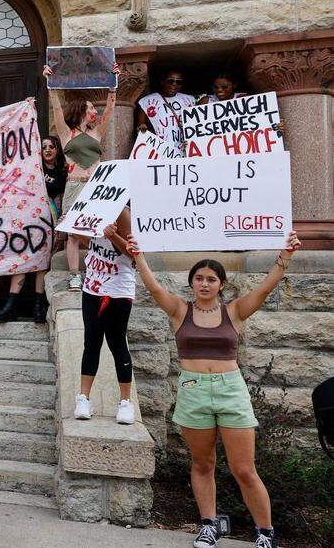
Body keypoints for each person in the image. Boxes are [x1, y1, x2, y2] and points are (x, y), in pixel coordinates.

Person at [129, 232, 300, 548]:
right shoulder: (180, 310)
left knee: (244, 469)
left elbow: (264, 288)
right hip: (193, 389)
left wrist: (285, 256)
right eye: (198, 278)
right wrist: (138, 255)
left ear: (221, 284)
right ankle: (208, 525)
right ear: (192, 282)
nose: (204, 283)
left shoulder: (233, 312)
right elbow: (153, 287)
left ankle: (265, 533)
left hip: (229, 390)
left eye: (210, 279)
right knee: (203, 463)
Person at [44, 64, 120, 291]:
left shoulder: (96, 133)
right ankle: (75, 275)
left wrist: (113, 86)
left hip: (96, 187)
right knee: (73, 234)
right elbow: (57, 111)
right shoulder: (67, 134)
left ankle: (99, 270)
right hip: (75, 186)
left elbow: (109, 111)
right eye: (90, 109)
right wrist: (51, 86)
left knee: (101, 229)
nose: (94, 112)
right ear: (80, 111)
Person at [0, 136, 68, 323]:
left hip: (48, 220)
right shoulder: (33, 167)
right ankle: (11, 305)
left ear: (58, 150)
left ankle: (38, 306)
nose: (48, 150)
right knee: (23, 259)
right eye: (44, 147)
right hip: (27, 219)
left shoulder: (63, 172)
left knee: (42, 261)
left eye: (52, 146)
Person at [73, 207, 137, 425]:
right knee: (91, 342)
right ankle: (83, 398)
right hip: (92, 285)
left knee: (117, 343)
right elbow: (89, 243)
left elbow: (134, 253)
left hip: (118, 289)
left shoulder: (123, 214)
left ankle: (126, 402)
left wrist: (113, 236)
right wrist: (72, 229)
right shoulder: (93, 206)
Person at [136, 69, 195, 152]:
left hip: (185, 148)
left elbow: (196, 125)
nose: (174, 84)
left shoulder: (189, 100)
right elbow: (140, 126)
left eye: (178, 82)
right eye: (171, 81)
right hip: (160, 150)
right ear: (162, 82)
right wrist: (142, 128)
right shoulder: (147, 101)